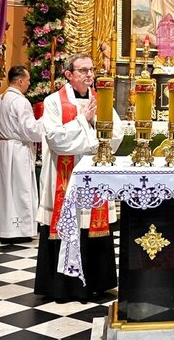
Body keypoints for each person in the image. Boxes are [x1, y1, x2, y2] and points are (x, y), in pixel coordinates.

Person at [34, 53, 124, 302]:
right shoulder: (54, 102)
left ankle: (97, 283)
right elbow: (57, 140)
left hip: (92, 178)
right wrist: (83, 121)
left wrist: (93, 126)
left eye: (91, 70)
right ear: (69, 74)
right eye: (83, 70)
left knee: (90, 225)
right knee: (68, 223)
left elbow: (115, 137)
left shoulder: (101, 100)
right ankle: (63, 286)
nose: (89, 75)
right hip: (64, 177)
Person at [0, 66, 44, 243]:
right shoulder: (20, 101)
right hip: (17, 149)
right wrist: (45, 121)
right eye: (27, 80)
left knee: (5, 189)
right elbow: (30, 130)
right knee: (20, 189)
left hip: (3, 147)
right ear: (20, 81)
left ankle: (5, 227)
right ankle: (19, 230)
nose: (29, 83)